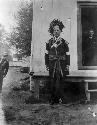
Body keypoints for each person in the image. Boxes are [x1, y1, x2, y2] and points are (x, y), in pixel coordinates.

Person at [45, 19, 70, 104]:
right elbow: (46, 54)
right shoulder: (49, 42)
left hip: (62, 64)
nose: (56, 32)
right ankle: (53, 99)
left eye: (58, 30)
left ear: (60, 31)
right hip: (52, 64)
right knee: (52, 81)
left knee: (61, 80)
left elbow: (67, 54)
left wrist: (67, 65)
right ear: (52, 31)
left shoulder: (64, 42)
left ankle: (61, 98)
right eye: (54, 30)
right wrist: (47, 64)